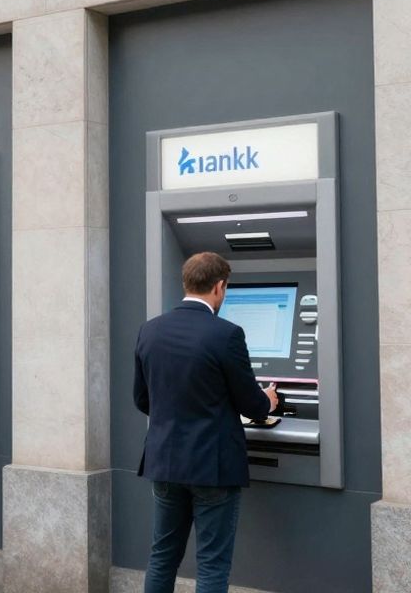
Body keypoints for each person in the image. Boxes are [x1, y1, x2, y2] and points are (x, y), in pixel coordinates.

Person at [134, 252, 279, 593]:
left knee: (162, 556)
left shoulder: (150, 330)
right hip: (212, 465)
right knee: (212, 563)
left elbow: (142, 399)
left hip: (165, 461)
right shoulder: (226, 334)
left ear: (186, 283)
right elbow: (251, 404)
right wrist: (268, 400)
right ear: (219, 287)